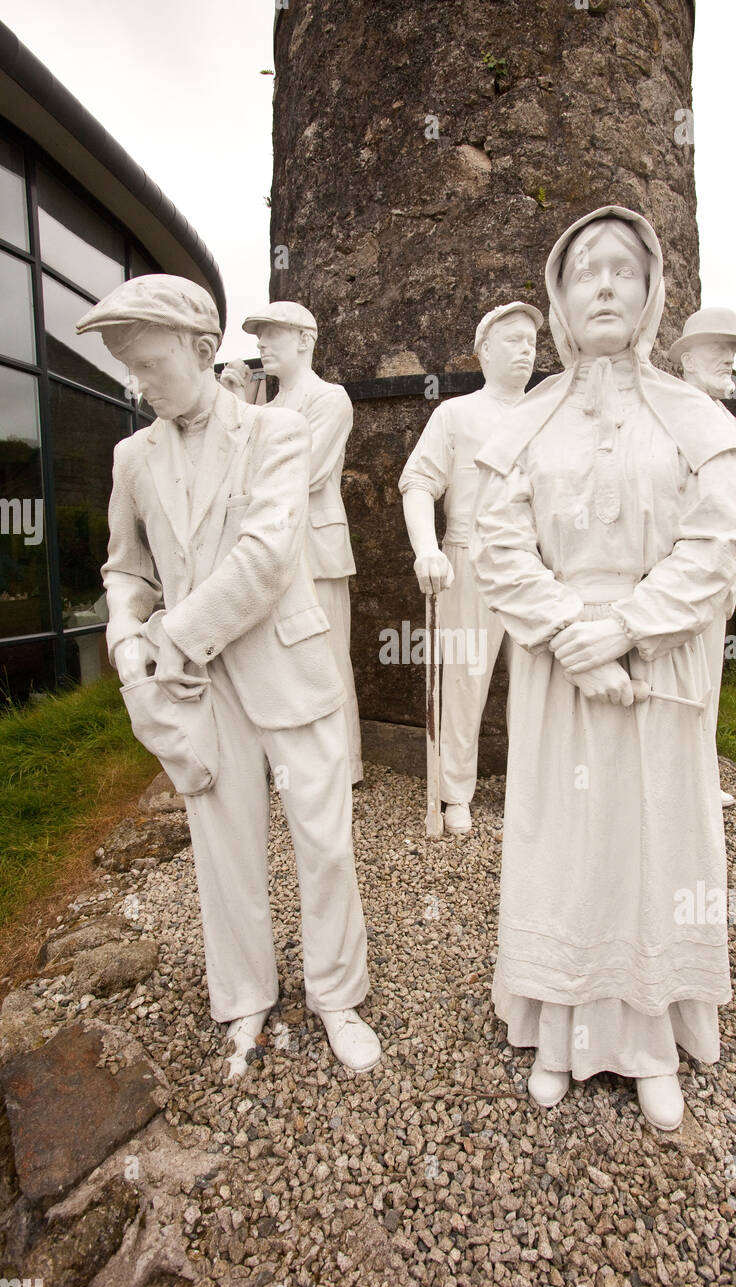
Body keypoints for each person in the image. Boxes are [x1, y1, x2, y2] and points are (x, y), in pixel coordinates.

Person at [470, 209, 736, 1128]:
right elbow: (498, 543)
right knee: (567, 844)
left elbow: (717, 544)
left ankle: (648, 1041)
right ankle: (560, 1032)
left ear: (650, 293)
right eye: (584, 270)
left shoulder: (693, 415)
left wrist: (627, 628)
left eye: (622, 271)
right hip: (561, 677)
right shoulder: (529, 421)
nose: (602, 285)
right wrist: (568, 635)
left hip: (659, 671)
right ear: (558, 294)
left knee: (653, 843)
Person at [77, 275, 380, 1078]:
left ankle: (337, 995)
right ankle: (245, 995)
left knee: (322, 839)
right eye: (128, 370)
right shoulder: (131, 457)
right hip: (196, 690)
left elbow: (268, 556)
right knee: (224, 847)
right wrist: (121, 639)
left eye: (148, 363)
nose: (138, 383)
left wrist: (169, 635)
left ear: (204, 351)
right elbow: (125, 570)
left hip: (286, 659)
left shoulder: (277, 433)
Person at [399, 302, 543, 834]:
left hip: (534, 567)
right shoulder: (456, 414)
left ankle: (533, 788)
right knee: (464, 680)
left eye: (531, 340)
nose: (526, 350)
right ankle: (456, 790)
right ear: (483, 350)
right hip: (470, 559)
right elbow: (418, 483)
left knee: (537, 683)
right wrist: (426, 548)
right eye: (512, 339)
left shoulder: (548, 413)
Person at [239, 302, 363, 784]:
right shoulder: (261, 412)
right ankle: (291, 765)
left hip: (317, 551)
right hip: (272, 550)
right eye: (259, 337)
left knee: (329, 658)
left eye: (272, 334)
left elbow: (302, 474)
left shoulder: (330, 399)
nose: (262, 345)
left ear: (305, 340)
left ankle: (344, 766)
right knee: (278, 660)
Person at [669, 308, 736, 805]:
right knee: (684, 678)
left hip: (719, 573)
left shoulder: (720, 415)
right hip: (688, 569)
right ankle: (681, 778)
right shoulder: (678, 413)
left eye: (733, 353)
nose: (728, 359)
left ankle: (700, 772)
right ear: (688, 360)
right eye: (717, 350)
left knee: (708, 681)